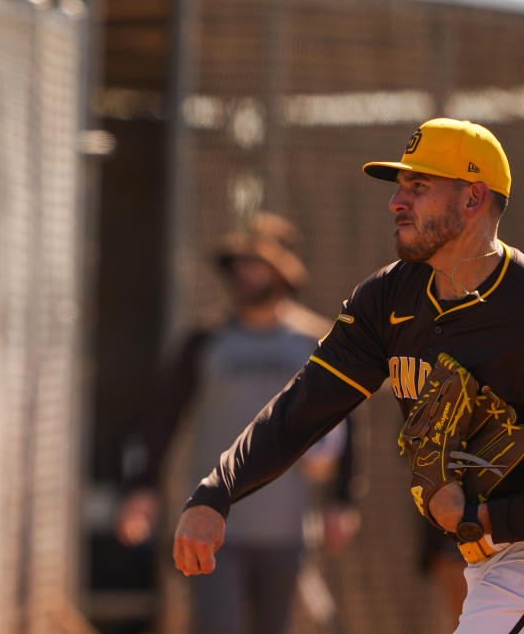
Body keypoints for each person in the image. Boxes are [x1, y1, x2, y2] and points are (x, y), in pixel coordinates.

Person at [172, 117, 524, 634]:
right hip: (492, 562)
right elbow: (304, 406)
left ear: (472, 199)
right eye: (399, 186)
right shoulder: (389, 299)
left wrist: (484, 518)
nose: (395, 202)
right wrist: (216, 492)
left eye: (418, 187)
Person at [117, 212, 357, 634]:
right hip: (212, 523)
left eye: (257, 262)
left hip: (287, 526)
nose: (246, 273)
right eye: (240, 263)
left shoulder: (314, 343)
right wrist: (143, 488)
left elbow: (344, 422)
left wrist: (343, 497)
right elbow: (163, 419)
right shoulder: (205, 342)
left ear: (284, 270)